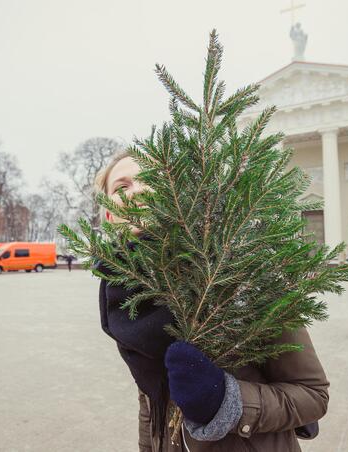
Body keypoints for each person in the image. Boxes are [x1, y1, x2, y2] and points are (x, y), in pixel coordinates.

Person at [94, 152, 329, 451]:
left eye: (148, 179)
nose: (136, 191)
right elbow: (152, 406)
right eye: (121, 187)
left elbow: (312, 394)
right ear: (111, 215)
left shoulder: (241, 273)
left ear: (175, 195)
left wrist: (226, 401)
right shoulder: (123, 297)